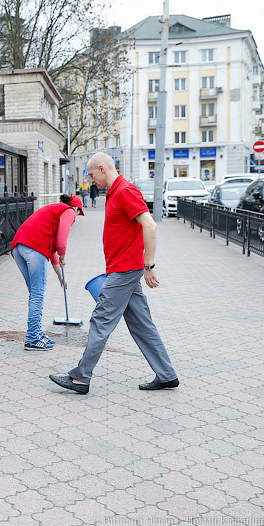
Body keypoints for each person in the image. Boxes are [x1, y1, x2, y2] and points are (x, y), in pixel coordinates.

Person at [50, 152, 178, 395]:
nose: (90, 180)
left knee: (101, 321)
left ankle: (81, 378)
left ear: (102, 168)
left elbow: (150, 226)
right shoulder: (114, 192)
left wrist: (149, 266)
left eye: (91, 175)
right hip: (123, 269)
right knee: (142, 325)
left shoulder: (126, 191)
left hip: (124, 271)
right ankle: (166, 375)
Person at [10, 194, 84, 351]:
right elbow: (61, 243)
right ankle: (32, 338)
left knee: (34, 293)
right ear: (76, 208)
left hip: (19, 246)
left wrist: (59, 275)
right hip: (34, 247)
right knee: (38, 294)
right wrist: (63, 256)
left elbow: (52, 250)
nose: (75, 218)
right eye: (78, 214)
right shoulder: (69, 211)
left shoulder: (54, 211)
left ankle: (37, 334)